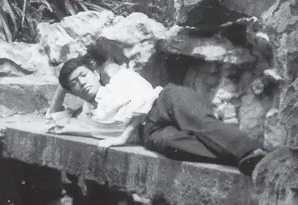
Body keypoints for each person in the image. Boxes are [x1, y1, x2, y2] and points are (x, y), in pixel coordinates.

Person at [46, 42, 268, 176]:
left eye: (84, 75)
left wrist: (123, 137)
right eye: (75, 83)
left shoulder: (120, 78)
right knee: (170, 144)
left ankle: (249, 151)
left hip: (164, 101)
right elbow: (53, 121)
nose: (82, 82)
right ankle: (242, 161)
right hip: (149, 131)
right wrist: (62, 86)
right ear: (72, 91)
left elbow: (144, 98)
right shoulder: (87, 117)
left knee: (197, 121)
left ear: (95, 74)